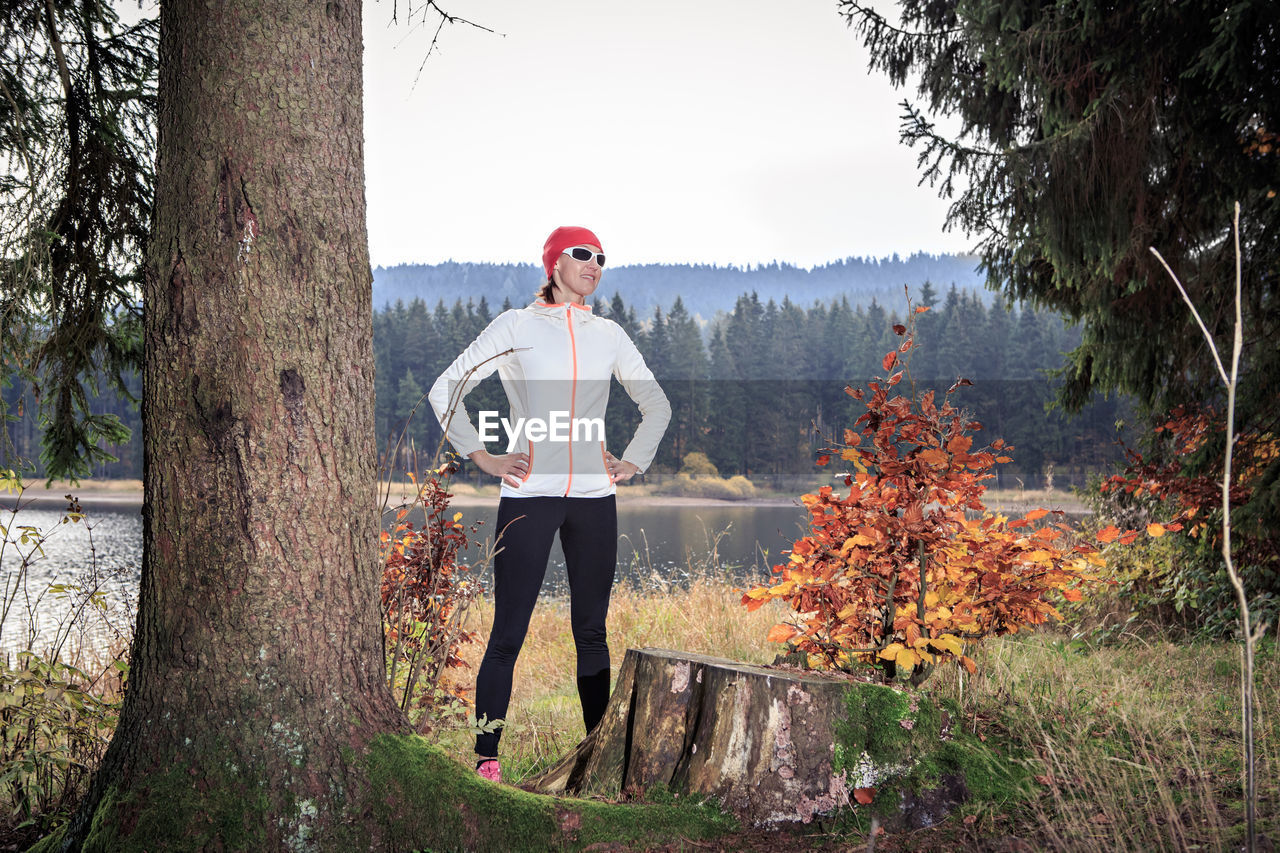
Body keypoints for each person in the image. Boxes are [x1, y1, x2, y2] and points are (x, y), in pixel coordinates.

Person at [428, 225, 670, 784]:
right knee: (508, 632)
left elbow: (655, 404)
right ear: (554, 263)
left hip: (593, 497)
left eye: (602, 258)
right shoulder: (516, 326)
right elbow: (449, 386)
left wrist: (632, 461)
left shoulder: (608, 334)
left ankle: (596, 760)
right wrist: (480, 455)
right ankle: (487, 762)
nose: (595, 264)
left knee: (592, 631)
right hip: (528, 493)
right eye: (583, 254)